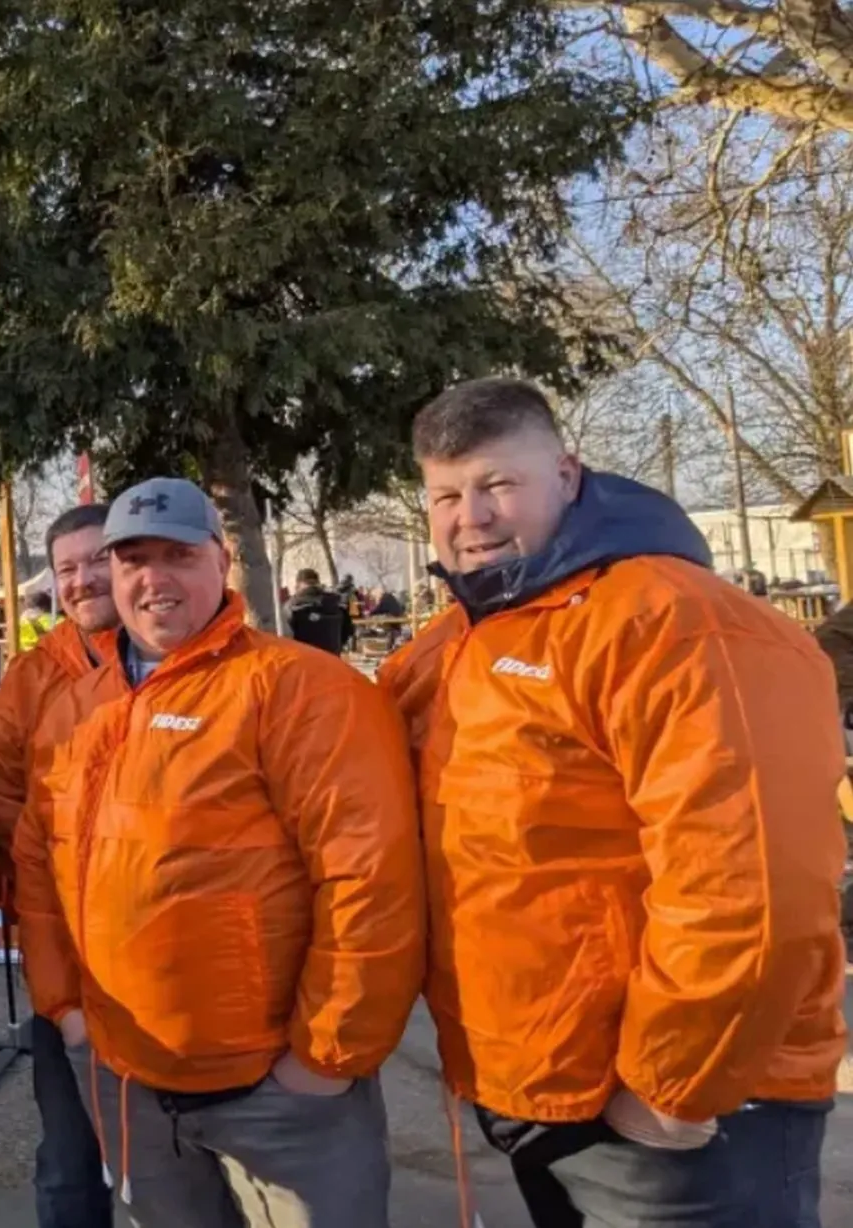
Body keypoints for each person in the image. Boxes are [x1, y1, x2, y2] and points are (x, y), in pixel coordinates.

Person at [377, 377, 845, 1228]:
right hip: (535, 1090)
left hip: (673, 1119)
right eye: (445, 495)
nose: (471, 517)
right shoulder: (460, 641)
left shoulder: (678, 624)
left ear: (567, 473)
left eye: (498, 484)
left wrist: (670, 1089)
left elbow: (751, 888)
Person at [16, 477, 424, 1228]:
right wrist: (68, 1012)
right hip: (129, 1080)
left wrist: (323, 1061)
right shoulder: (75, 709)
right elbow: (39, 869)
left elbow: (369, 882)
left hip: (277, 1092)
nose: (153, 578)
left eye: (177, 555)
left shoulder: (300, 690)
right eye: (133, 559)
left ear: (222, 560)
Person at [0, 503, 120, 1228]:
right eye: (67, 568)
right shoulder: (33, 677)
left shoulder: (178, 663)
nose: (83, 579)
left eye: (98, 560)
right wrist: (38, 873)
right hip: (64, 953)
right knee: (68, 1160)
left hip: (171, 958)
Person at [282, 567, 348, 655]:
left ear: (298, 585)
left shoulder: (291, 606)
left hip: (304, 658)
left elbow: (284, 636)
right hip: (332, 658)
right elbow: (347, 631)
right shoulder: (336, 603)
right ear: (317, 582)